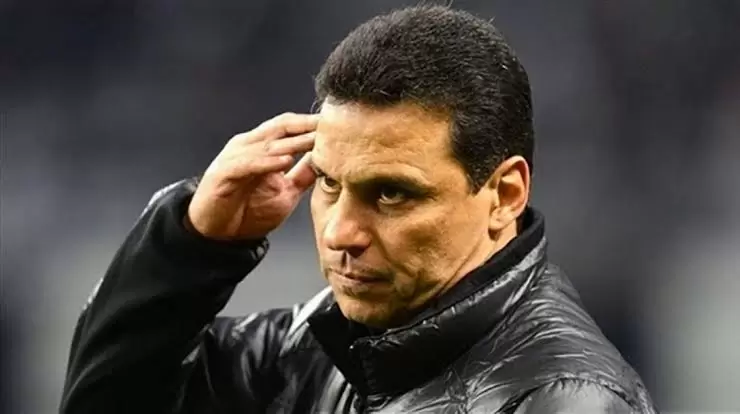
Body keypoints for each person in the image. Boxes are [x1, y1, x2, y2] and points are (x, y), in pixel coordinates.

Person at [60, 5, 657, 413]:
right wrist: (191, 244)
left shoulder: (564, 401)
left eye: (391, 193)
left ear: (504, 195)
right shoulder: (316, 346)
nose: (341, 232)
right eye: (327, 183)